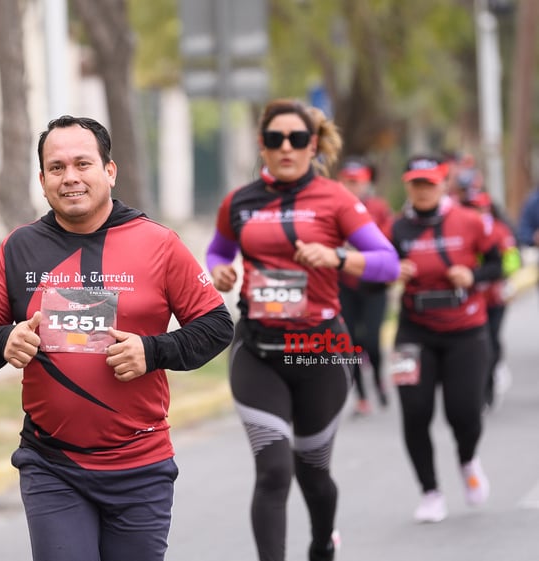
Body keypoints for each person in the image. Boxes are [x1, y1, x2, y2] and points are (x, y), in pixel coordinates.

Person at [0, 115, 233, 561]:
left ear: (109, 171)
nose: (70, 177)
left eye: (82, 164)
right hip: (52, 464)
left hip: (140, 464)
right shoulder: (19, 247)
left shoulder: (158, 243)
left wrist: (152, 350)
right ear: (42, 179)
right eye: (57, 167)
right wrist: (3, 341)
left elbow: (217, 326)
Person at [205, 99, 399, 561]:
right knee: (273, 471)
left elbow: (387, 263)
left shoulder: (336, 200)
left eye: (296, 139)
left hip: (319, 353)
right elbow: (217, 251)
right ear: (262, 145)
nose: (286, 147)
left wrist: (337, 257)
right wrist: (220, 271)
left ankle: (321, 543)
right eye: (275, 139)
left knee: (312, 470)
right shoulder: (240, 201)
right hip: (257, 349)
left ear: (313, 146)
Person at [390, 155, 502, 524]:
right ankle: (430, 492)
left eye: (430, 183)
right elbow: (371, 272)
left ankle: (468, 459)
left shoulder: (471, 221)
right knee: (414, 412)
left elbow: (507, 260)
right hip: (411, 332)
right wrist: (391, 270)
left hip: (466, 332)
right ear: (408, 185)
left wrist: (474, 274)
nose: (423, 190)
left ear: (444, 184)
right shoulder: (396, 228)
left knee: (465, 413)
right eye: (416, 183)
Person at [336, 156, 394, 415]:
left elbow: (386, 242)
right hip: (343, 286)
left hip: (373, 286)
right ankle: (361, 396)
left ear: (367, 182)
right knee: (351, 342)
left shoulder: (378, 208)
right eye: (348, 181)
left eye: (357, 182)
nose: (353, 186)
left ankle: (380, 381)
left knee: (371, 339)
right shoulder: (332, 207)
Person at [461, 188, 520, 408]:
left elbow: (512, 261)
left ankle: (489, 384)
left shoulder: (500, 231)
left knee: (491, 340)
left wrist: (501, 277)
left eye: (480, 207)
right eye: (471, 207)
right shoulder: (457, 231)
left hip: (495, 298)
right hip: (469, 299)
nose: (476, 212)